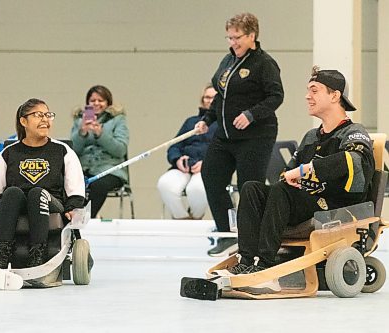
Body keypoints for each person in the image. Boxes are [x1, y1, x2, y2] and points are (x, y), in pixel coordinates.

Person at [184, 67, 375, 297]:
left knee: (280, 190)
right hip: (301, 202)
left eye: (314, 90)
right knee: (252, 188)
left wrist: (305, 170)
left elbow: (355, 160)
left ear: (335, 96)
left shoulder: (354, 132)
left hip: (333, 206)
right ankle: (246, 259)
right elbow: (288, 173)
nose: (307, 96)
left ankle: (266, 264)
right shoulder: (311, 137)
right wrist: (290, 176)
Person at [195, 12, 284, 257]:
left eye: (237, 38)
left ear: (252, 36)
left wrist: (251, 114)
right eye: (229, 37)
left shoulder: (264, 63)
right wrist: (207, 119)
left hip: (255, 137)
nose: (233, 42)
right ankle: (225, 234)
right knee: (211, 174)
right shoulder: (227, 61)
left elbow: (276, 96)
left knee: (249, 187)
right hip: (225, 136)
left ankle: (250, 239)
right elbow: (220, 96)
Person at [0, 98, 86, 269]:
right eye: (38, 115)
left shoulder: (62, 151)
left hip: (51, 203)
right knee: (12, 192)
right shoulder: (9, 153)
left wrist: (73, 206)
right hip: (17, 203)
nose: (45, 119)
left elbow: (75, 185)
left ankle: (38, 255)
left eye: (48, 115)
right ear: (23, 121)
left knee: (37, 193)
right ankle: (1, 254)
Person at [157, 85, 217, 219]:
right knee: (165, 184)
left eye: (214, 97)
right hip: (184, 168)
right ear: (202, 100)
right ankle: (182, 219)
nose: (210, 100)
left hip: (208, 169)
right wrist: (177, 159)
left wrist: (206, 163)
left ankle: (196, 218)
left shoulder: (224, 124)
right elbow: (174, 146)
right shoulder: (190, 122)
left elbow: (227, 153)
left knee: (197, 189)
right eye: (207, 97)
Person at [70, 85, 129, 218]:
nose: (96, 104)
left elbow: (120, 150)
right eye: (92, 101)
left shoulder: (118, 120)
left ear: (108, 103)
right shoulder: (79, 120)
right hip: (84, 168)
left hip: (110, 169)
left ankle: (86, 218)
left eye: (100, 100)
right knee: (67, 182)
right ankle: (71, 217)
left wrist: (101, 134)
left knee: (98, 186)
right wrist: (82, 133)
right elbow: (72, 151)